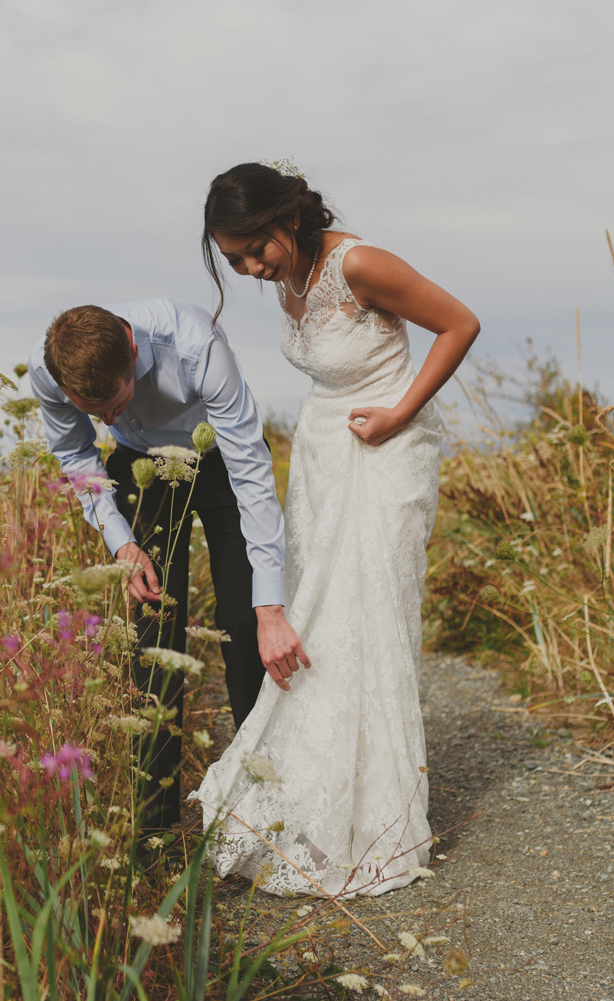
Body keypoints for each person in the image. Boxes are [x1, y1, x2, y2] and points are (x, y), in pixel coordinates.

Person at [191, 162, 480, 898]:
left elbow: (459, 323)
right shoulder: (290, 278)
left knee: (372, 610)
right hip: (323, 449)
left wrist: (401, 411)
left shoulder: (359, 263)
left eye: (256, 250)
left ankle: (378, 814)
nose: (252, 269)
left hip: (387, 443)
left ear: (287, 217)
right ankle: (314, 790)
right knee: (319, 611)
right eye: (234, 261)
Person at [29, 300, 308, 835]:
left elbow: (252, 472)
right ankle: (155, 826)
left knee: (244, 622)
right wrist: (121, 545)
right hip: (142, 467)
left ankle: (260, 805)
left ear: (133, 353)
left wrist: (271, 605)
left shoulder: (197, 346)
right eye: (92, 410)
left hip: (223, 461)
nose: (106, 419)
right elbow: (76, 456)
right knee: (156, 634)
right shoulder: (49, 370)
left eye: (112, 402)